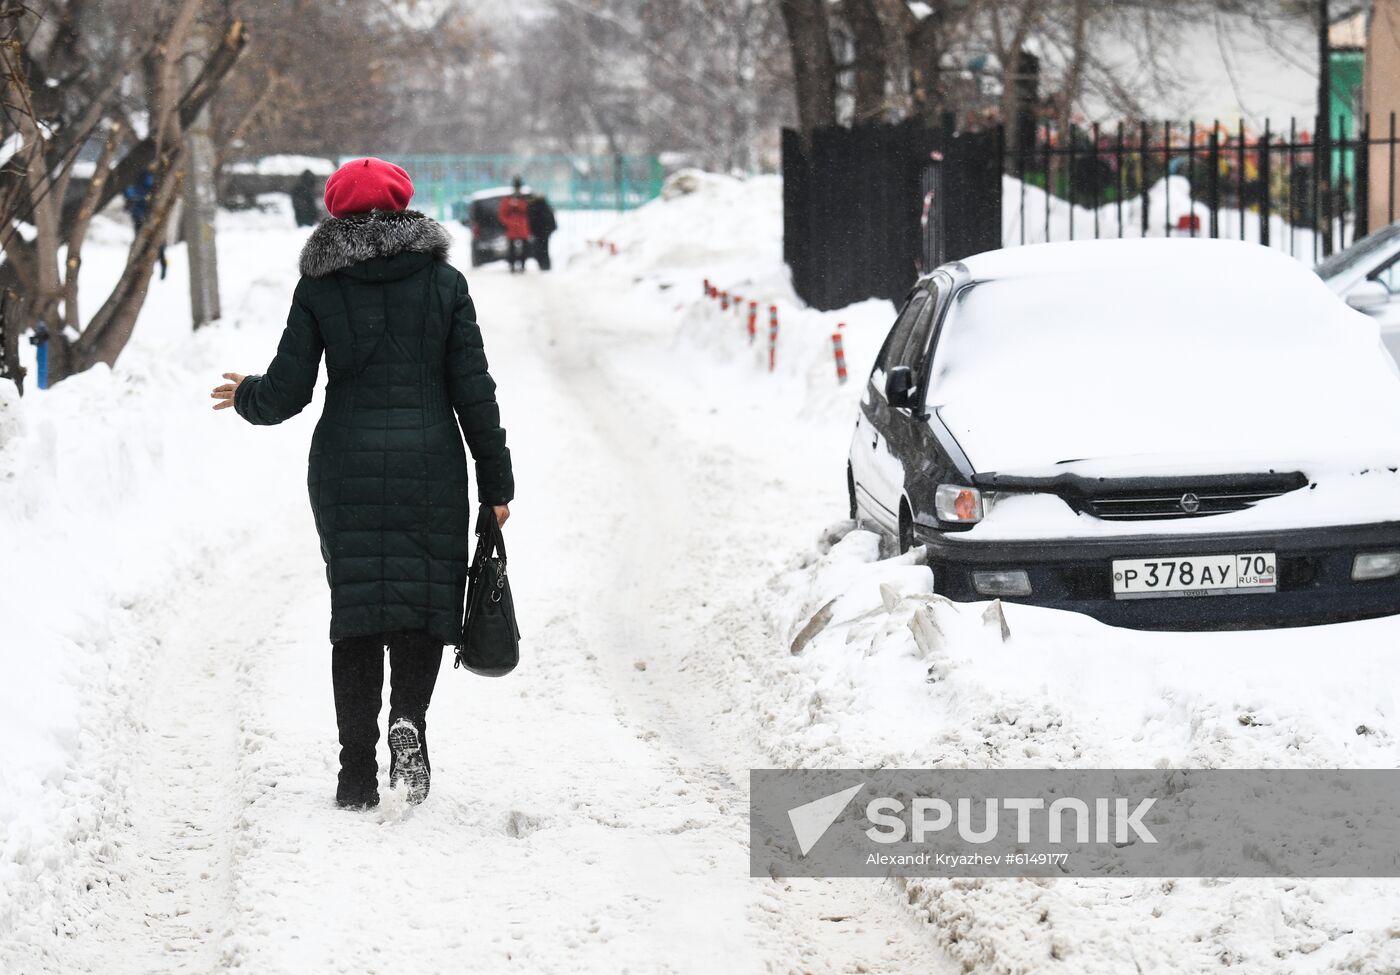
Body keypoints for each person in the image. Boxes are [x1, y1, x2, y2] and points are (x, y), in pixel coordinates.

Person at [209, 157, 514, 811]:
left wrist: (245, 397)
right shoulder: (445, 283)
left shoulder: (320, 287)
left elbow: (287, 392)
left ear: (336, 210)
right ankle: (409, 717)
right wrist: (497, 483)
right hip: (430, 464)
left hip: (344, 464)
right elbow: (475, 393)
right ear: (404, 205)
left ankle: (355, 776)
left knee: (357, 613)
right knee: (423, 601)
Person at [123, 170, 167, 280]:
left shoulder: (148, 176)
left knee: (153, 241)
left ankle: (161, 265)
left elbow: (132, 192)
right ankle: (141, 265)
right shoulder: (141, 176)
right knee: (145, 241)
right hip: (142, 214)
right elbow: (130, 192)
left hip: (148, 214)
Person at [498, 176, 531, 273]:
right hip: (513, 226)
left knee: (523, 248)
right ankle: (512, 265)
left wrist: (517, 205)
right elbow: (503, 212)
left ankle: (522, 265)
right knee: (512, 248)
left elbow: (527, 211)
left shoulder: (523, 198)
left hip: (521, 226)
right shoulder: (509, 199)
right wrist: (507, 222)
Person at [526, 193, 558, 271]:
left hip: (540, 232)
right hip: (544, 231)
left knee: (541, 249)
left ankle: (544, 265)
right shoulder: (543, 205)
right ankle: (545, 265)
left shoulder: (536, 207)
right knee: (544, 249)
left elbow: (534, 220)